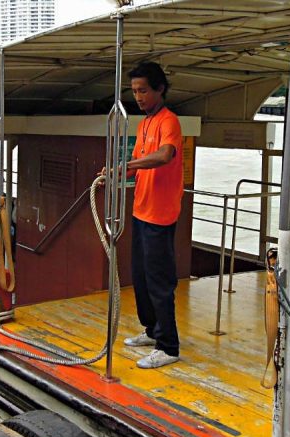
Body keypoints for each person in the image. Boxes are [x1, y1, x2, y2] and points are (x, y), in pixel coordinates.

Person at [105, 62, 184, 370]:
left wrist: (128, 166)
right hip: (141, 210)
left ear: (159, 89)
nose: (138, 97)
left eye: (143, 91)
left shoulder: (169, 121)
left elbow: (164, 155)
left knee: (159, 281)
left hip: (160, 215)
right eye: (135, 91)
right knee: (140, 276)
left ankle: (169, 346)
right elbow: (138, 162)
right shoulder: (144, 124)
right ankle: (152, 330)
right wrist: (115, 171)